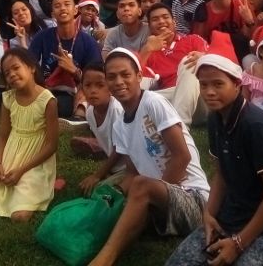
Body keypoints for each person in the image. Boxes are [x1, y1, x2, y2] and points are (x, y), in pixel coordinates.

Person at [165, 49, 263, 266]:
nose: (209, 92)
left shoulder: (256, 127)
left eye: (218, 84)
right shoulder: (215, 119)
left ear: (237, 85)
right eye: (203, 84)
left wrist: (238, 243)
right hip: (231, 213)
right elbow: (222, 174)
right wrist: (209, 215)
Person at [87, 48, 210, 266]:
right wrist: (115, 194)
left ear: (139, 77)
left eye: (126, 75)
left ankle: (104, 259)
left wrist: (150, 195)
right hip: (160, 199)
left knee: (142, 188)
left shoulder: (153, 102)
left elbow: (182, 157)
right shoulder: (120, 125)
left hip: (195, 200)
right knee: (122, 202)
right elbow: (133, 172)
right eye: (112, 77)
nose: (119, 82)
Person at [0, 48, 58, 221]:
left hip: (36, 161)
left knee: (19, 216)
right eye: (7, 73)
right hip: (12, 155)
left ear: (31, 68)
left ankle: (43, 186)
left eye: (16, 68)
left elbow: (52, 145)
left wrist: (22, 170)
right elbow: (3, 135)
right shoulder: (8, 98)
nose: (12, 74)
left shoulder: (47, 100)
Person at [28, 0, 102, 118]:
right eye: (57, 6)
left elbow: (98, 76)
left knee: (67, 102)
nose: (62, 8)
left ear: (75, 10)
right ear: (52, 14)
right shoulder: (43, 36)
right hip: (47, 87)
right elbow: (28, 64)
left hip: (77, 88)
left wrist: (74, 70)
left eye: (67, 4)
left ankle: (79, 114)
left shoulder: (88, 41)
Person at [139, 2, 209, 126]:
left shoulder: (193, 39)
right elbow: (136, 79)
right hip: (168, 101)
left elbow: (218, 60)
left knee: (189, 61)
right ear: (149, 27)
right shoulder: (149, 51)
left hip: (200, 99)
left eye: (165, 17)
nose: (161, 21)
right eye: (155, 19)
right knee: (136, 87)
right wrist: (147, 50)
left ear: (174, 22)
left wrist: (204, 57)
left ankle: (180, 125)